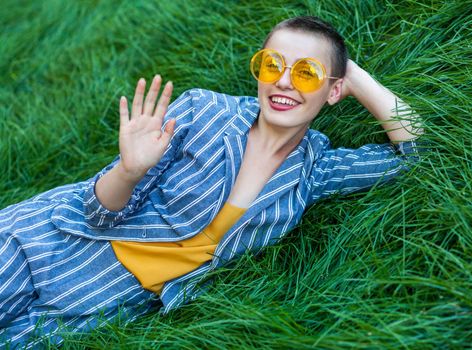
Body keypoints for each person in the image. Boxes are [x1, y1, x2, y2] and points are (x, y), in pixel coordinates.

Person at [0, 16, 423, 348]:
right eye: (272, 65)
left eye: (308, 73)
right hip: (46, 244)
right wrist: (128, 171)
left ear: (333, 91)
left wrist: (354, 75)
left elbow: (416, 154)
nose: (284, 81)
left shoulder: (311, 171)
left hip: (102, 302)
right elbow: (97, 213)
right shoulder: (204, 112)